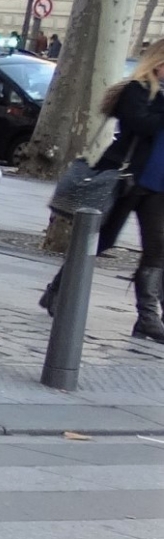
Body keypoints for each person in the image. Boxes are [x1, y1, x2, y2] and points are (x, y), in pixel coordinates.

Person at [93, 40, 164, 343]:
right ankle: (60, 291)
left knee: (157, 251)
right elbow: (140, 124)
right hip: (129, 178)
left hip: (158, 185)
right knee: (101, 240)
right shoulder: (135, 89)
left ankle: (148, 318)